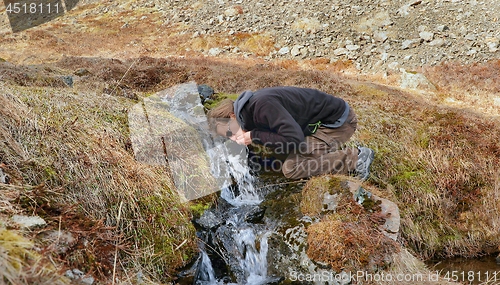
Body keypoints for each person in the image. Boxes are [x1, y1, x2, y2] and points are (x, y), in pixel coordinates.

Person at [207, 86, 374, 180]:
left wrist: (253, 135)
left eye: (230, 132)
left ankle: (356, 158)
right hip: (321, 122)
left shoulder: (261, 106)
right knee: (283, 155)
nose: (233, 138)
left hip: (336, 124)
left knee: (291, 168)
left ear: (232, 116)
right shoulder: (251, 109)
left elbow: (293, 138)